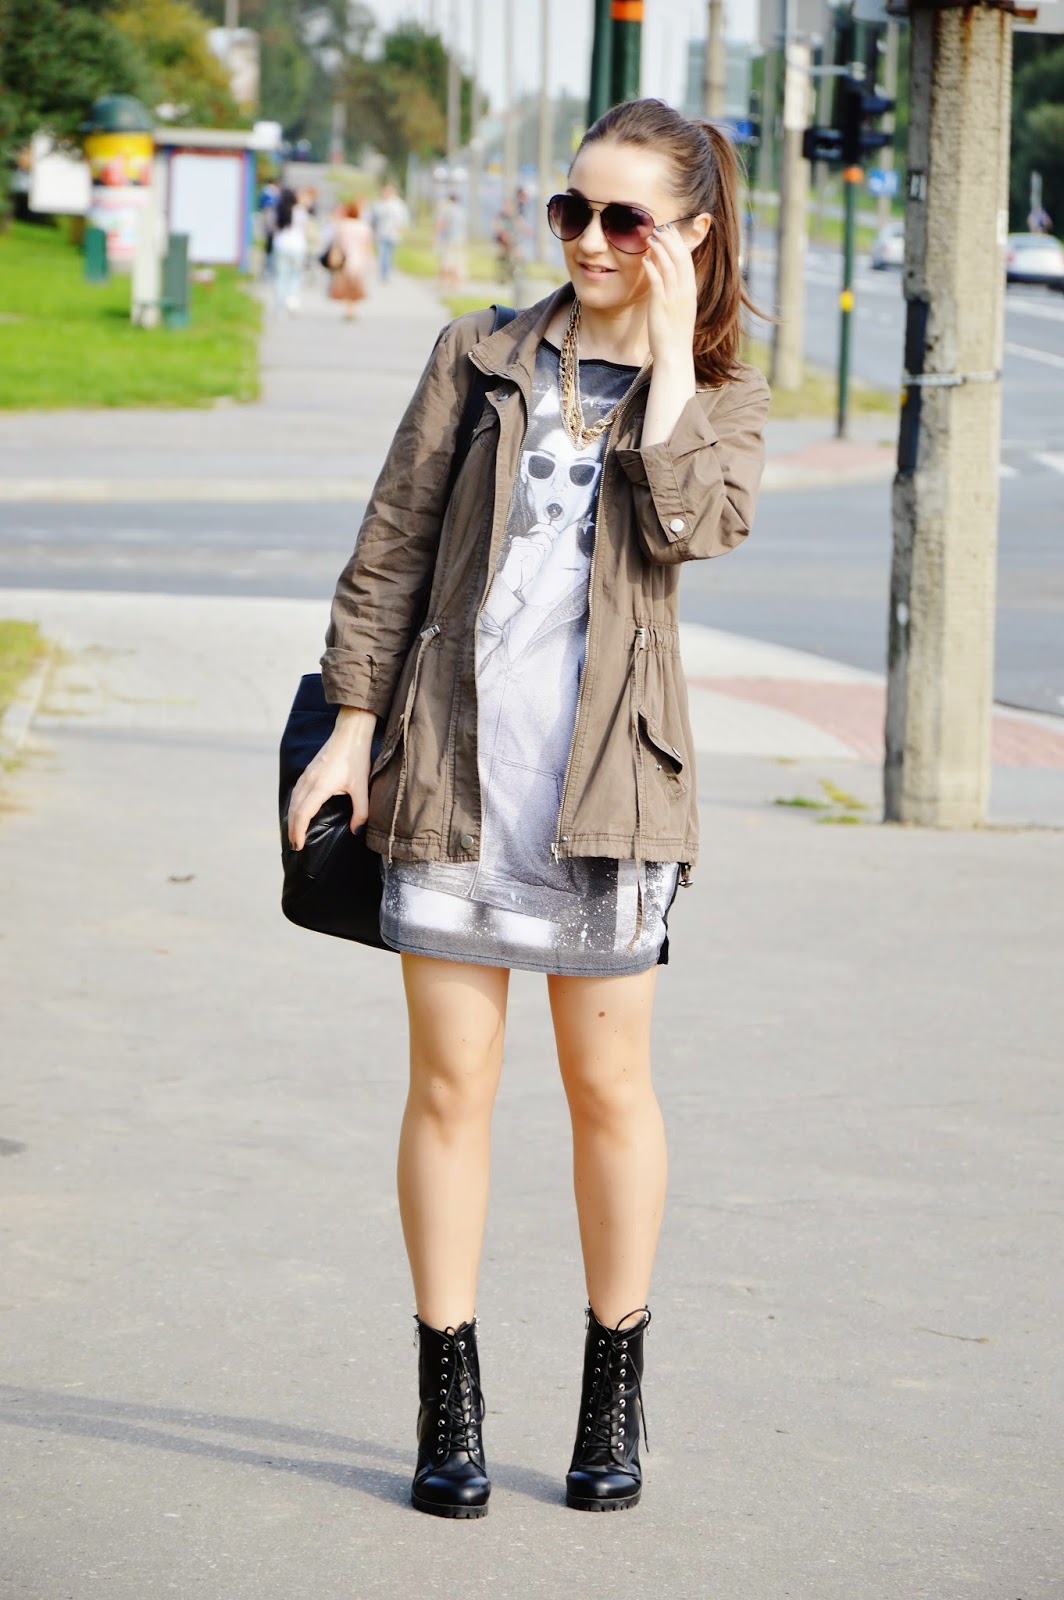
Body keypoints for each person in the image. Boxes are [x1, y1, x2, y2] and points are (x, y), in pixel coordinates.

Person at [287, 98, 770, 1520]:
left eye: (625, 218)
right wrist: (349, 734)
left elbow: (691, 527)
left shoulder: (723, 394)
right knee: (450, 1085)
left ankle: (611, 1394)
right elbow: (389, 550)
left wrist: (667, 357)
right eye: (573, 209)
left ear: (690, 235)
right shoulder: (480, 354)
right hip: (453, 772)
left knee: (607, 1089)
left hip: (609, 792)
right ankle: (448, 1405)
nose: (590, 239)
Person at [327, 199, 374, 321]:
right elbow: (367, 246)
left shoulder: (343, 225)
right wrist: (369, 260)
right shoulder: (364, 227)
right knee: (355, 285)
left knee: (346, 285)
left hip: (345, 258)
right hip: (359, 259)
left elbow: (336, 243)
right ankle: (353, 309)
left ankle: (347, 308)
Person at [271, 187, 308, 314]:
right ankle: (292, 301)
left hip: (281, 244)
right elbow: (304, 228)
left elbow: (273, 227)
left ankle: (279, 305)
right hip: (297, 245)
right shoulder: (300, 211)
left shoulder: (278, 210)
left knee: (281, 275)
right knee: (295, 275)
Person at [370, 181, 409, 283]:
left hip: (393, 234)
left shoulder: (398, 204)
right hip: (381, 233)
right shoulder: (379, 204)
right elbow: (374, 219)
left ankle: (386, 273)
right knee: (382, 254)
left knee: (389, 255)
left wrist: (401, 230)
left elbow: (402, 219)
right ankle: (382, 273)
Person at [434, 191, 467, 289]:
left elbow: (442, 223)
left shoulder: (448, 209)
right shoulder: (461, 210)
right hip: (460, 239)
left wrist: (436, 236)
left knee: (447, 261)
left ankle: (444, 282)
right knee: (458, 261)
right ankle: (456, 283)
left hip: (449, 239)